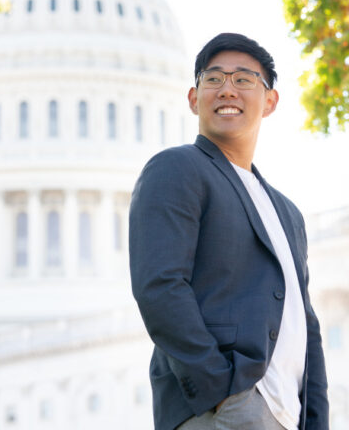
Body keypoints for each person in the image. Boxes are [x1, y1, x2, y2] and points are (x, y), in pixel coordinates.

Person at [129, 33, 329, 430]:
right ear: (193, 97)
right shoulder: (177, 168)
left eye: (243, 80)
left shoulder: (287, 211)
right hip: (225, 410)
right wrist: (224, 392)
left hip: (288, 416)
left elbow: (304, 325)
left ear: (269, 101)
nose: (227, 90)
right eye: (214, 79)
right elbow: (160, 286)